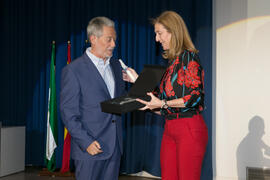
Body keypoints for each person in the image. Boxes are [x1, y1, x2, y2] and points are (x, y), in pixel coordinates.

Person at [123, 11, 208, 180]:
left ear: (173, 31)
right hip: (170, 129)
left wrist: (162, 104)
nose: (156, 39)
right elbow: (161, 102)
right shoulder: (172, 64)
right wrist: (138, 82)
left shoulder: (189, 57)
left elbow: (195, 97)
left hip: (189, 129)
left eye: (159, 33)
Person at [60, 16, 126, 180]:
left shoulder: (117, 66)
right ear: (93, 39)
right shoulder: (73, 70)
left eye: (114, 40)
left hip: (115, 148)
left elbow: (121, 102)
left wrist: (139, 85)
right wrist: (86, 142)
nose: (113, 45)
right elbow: (68, 113)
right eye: (109, 39)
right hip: (89, 150)